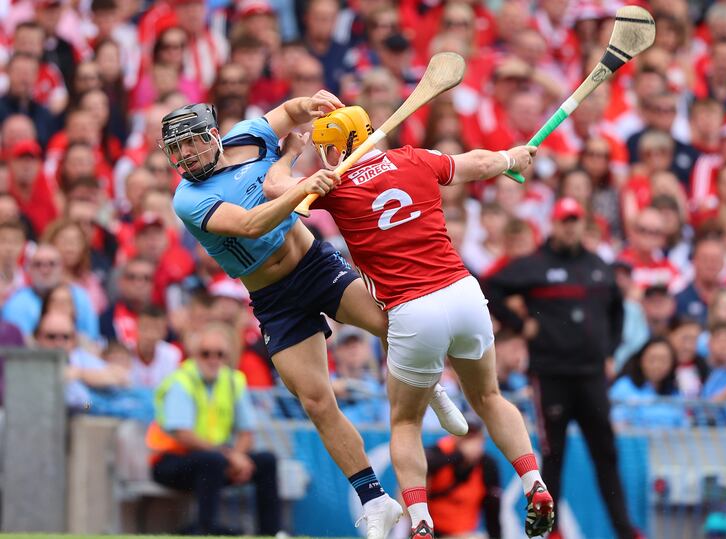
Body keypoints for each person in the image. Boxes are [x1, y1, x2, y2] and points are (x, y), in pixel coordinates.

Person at [162, 97, 464, 539]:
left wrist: (315, 105)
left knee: (391, 323)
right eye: (177, 149)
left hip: (315, 265)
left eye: (191, 143)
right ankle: (375, 499)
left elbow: (290, 113)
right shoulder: (188, 199)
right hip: (272, 298)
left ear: (212, 136)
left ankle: (430, 384)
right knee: (317, 401)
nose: (185, 155)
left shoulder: (247, 135)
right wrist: (299, 184)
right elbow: (250, 225)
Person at [267, 105, 553, 539]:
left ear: (342, 145)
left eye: (327, 148)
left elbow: (273, 188)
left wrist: (290, 154)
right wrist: (511, 158)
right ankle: (534, 482)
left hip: (411, 310)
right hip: (463, 294)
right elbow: (475, 163)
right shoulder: (412, 158)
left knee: (405, 423)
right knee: (490, 396)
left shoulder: (332, 185)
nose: (325, 156)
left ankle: (420, 520)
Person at [483, 197, 641, 539]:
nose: (570, 227)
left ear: (581, 225)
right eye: (564, 221)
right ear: (554, 224)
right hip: (551, 374)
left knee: (606, 453)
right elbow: (488, 284)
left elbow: (618, 309)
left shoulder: (598, 266)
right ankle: (549, 532)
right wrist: (518, 324)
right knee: (552, 455)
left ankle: (624, 530)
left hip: (591, 375)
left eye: (575, 221)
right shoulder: (535, 263)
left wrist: (610, 350)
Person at [146, 322, 280, 535]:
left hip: (215, 460)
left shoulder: (233, 381)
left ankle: (271, 533)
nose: (213, 359)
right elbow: (183, 435)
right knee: (212, 461)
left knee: (266, 461)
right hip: (170, 461)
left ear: (228, 357)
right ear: (194, 354)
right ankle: (206, 529)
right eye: (206, 353)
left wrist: (237, 456)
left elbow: (247, 432)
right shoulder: (181, 381)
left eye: (219, 354)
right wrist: (229, 456)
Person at [425, 417, 502, 539]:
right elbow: (426, 463)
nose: (470, 442)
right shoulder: (438, 453)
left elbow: (492, 511)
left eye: (474, 437)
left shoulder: (487, 464)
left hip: (463, 533)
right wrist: (461, 455)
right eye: (466, 436)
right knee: (413, 483)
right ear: (454, 437)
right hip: (431, 532)